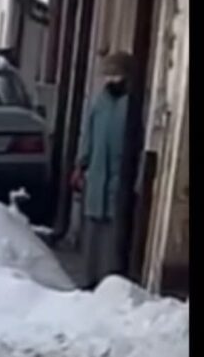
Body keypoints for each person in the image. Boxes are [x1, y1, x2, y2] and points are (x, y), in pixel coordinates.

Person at [71, 51, 133, 288]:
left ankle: (111, 281)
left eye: (116, 74)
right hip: (97, 176)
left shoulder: (132, 104)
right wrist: (80, 165)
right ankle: (90, 278)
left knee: (114, 233)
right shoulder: (100, 103)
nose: (111, 79)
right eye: (108, 74)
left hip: (119, 179)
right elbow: (89, 135)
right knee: (93, 232)